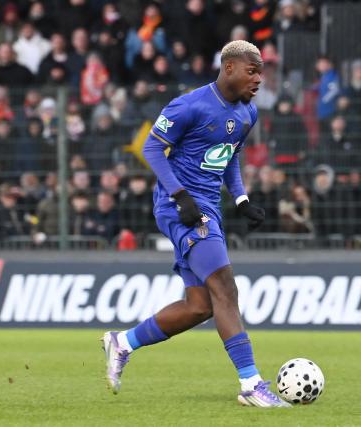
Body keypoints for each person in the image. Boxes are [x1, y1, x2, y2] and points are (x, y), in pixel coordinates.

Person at [102, 40, 290, 408]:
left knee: (200, 305)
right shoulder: (189, 105)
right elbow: (152, 149)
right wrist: (180, 196)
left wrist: (241, 199)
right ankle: (251, 384)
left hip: (208, 206)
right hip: (182, 206)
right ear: (230, 67)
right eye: (253, 71)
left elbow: (229, 155)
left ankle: (122, 342)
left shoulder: (247, 113)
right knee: (225, 287)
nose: (259, 80)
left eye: (261, 73)